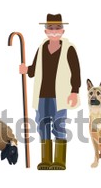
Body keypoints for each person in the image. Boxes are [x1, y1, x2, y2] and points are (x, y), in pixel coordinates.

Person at [19, 14, 81, 170]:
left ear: (62, 31)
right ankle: (46, 160)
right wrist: (26, 69)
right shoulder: (41, 48)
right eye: (50, 29)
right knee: (42, 124)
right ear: (45, 31)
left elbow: (76, 72)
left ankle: (59, 161)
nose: (54, 31)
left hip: (60, 94)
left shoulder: (69, 49)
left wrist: (74, 91)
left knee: (59, 124)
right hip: (42, 94)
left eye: (57, 28)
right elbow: (34, 70)